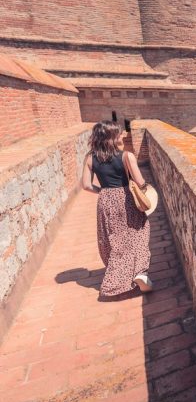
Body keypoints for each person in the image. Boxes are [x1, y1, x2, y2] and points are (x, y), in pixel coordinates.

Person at [81, 121, 153, 296]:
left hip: (106, 199)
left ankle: (118, 275)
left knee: (114, 238)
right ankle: (139, 272)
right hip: (127, 198)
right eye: (119, 133)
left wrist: (104, 192)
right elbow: (140, 182)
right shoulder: (127, 156)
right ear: (112, 137)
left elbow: (86, 185)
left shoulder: (90, 158)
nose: (122, 135)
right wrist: (145, 191)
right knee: (138, 233)